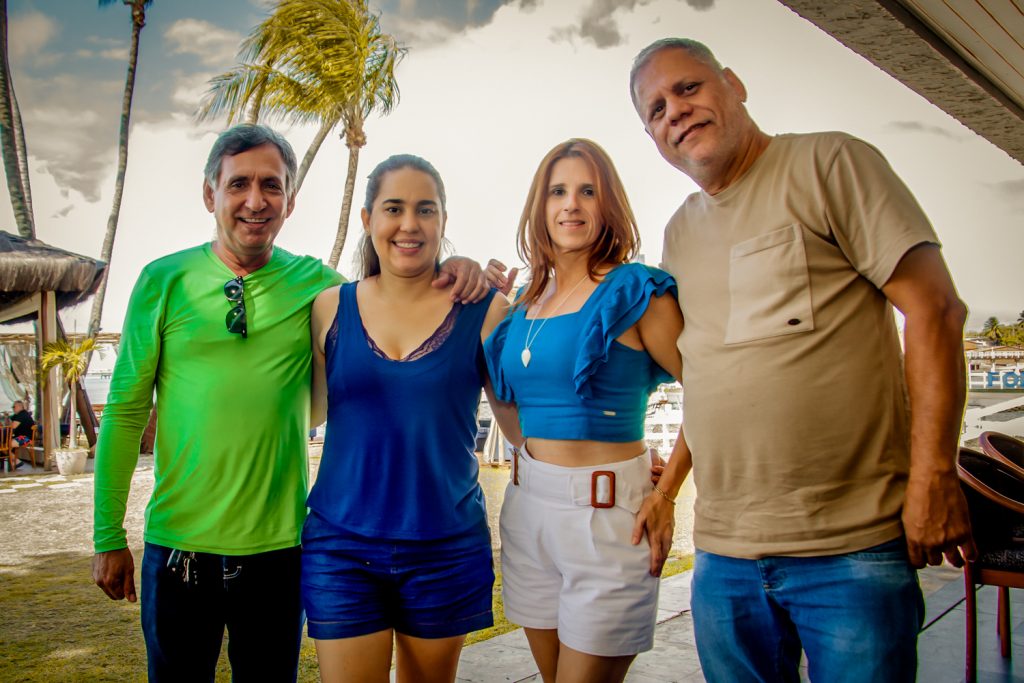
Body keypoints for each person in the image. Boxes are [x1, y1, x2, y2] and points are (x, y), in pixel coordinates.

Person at [627, 38, 976, 681]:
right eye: (654, 109)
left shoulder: (830, 162)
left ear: (733, 83)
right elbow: (707, 375)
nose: (674, 111)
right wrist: (667, 491)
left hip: (851, 552)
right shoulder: (678, 233)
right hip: (724, 559)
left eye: (688, 88)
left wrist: (934, 474)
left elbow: (935, 310)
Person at [91, 125, 489, 682]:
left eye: (272, 186)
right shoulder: (164, 280)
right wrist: (108, 535)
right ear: (211, 195)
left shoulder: (317, 288)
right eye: (239, 185)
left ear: (290, 200)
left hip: (279, 553)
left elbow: (393, 293)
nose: (256, 201)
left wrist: (459, 269)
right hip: (177, 549)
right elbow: (126, 410)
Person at [303, 154, 513, 683]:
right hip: (341, 543)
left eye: (427, 210)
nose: (409, 224)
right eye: (393, 208)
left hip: (444, 542)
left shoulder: (485, 310)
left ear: (443, 221)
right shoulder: (328, 308)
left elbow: (521, 428)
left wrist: (618, 455)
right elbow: (300, 409)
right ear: (368, 218)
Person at [484, 138, 686, 683]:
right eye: (558, 191)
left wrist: (667, 493)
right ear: (540, 206)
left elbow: (714, 392)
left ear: (608, 205)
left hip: (609, 519)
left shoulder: (636, 291)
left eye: (587, 191)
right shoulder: (524, 304)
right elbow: (506, 399)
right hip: (529, 515)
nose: (571, 204)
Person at [8, 400, 33, 468]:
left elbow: (13, 426)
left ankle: (17, 461)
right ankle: (14, 462)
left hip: (25, 439)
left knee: (4, 445)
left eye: (14, 407)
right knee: (3, 444)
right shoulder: (18, 415)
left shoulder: (22, 414)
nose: (13, 408)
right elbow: (10, 420)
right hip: (20, 437)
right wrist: (7, 417)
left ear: (19, 406)